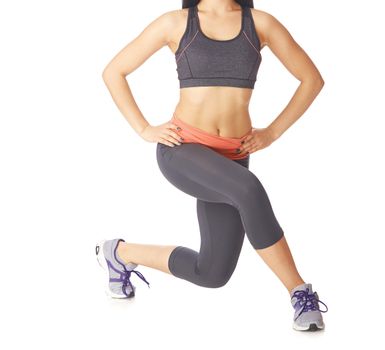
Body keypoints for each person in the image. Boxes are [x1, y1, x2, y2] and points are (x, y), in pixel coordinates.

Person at [96, 0, 328, 331]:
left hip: (232, 156)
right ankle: (299, 293)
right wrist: (145, 128)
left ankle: (119, 253)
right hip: (183, 149)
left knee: (213, 272)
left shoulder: (260, 23)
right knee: (249, 190)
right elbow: (113, 71)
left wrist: (273, 132)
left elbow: (311, 80)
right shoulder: (176, 23)